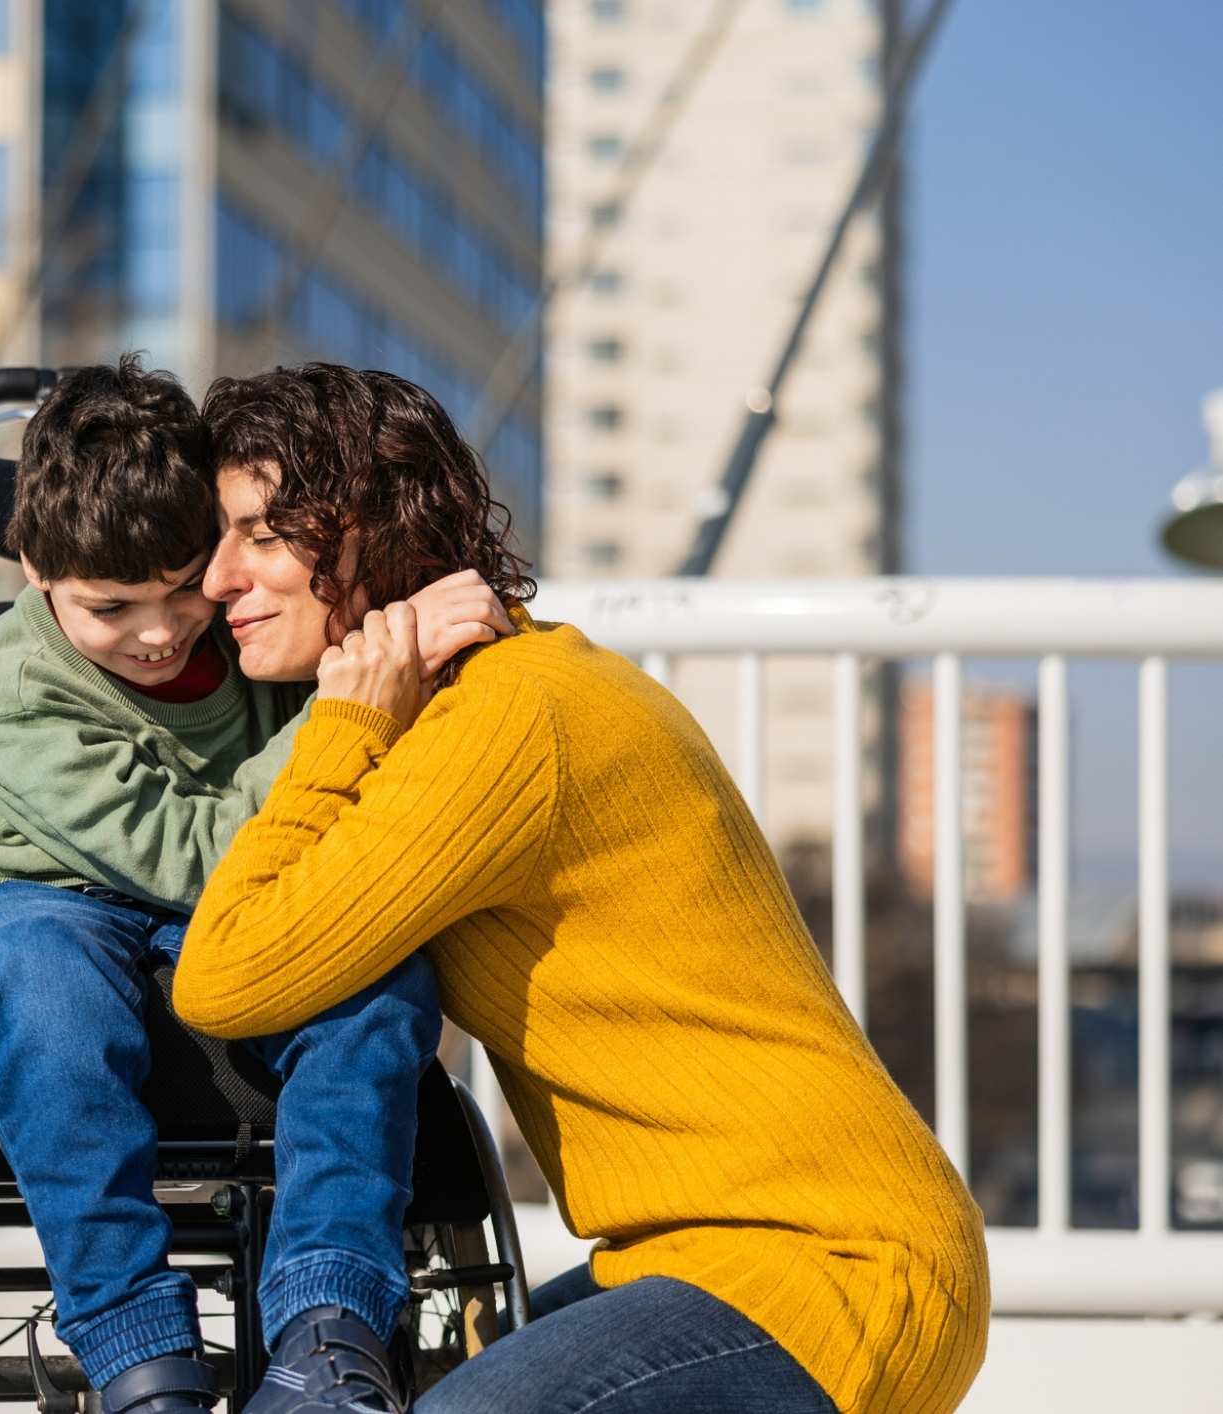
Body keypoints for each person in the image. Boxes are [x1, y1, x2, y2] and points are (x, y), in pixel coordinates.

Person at [173, 363, 990, 1414]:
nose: (216, 578)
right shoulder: (490, 691)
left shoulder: (507, 720)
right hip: (706, 1258)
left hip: (827, 1265)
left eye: (261, 534)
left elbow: (227, 973)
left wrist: (344, 723)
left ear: (369, 526)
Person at [0, 357, 512, 1414]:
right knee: (46, 984)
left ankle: (327, 1331)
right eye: (112, 607)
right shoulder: (7, 690)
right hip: (43, 900)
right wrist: (344, 709)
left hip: (226, 925)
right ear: (35, 570)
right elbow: (194, 849)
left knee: (377, 986)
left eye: (185, 583)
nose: (158, 630)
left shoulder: (246, 637)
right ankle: (138, 1347)